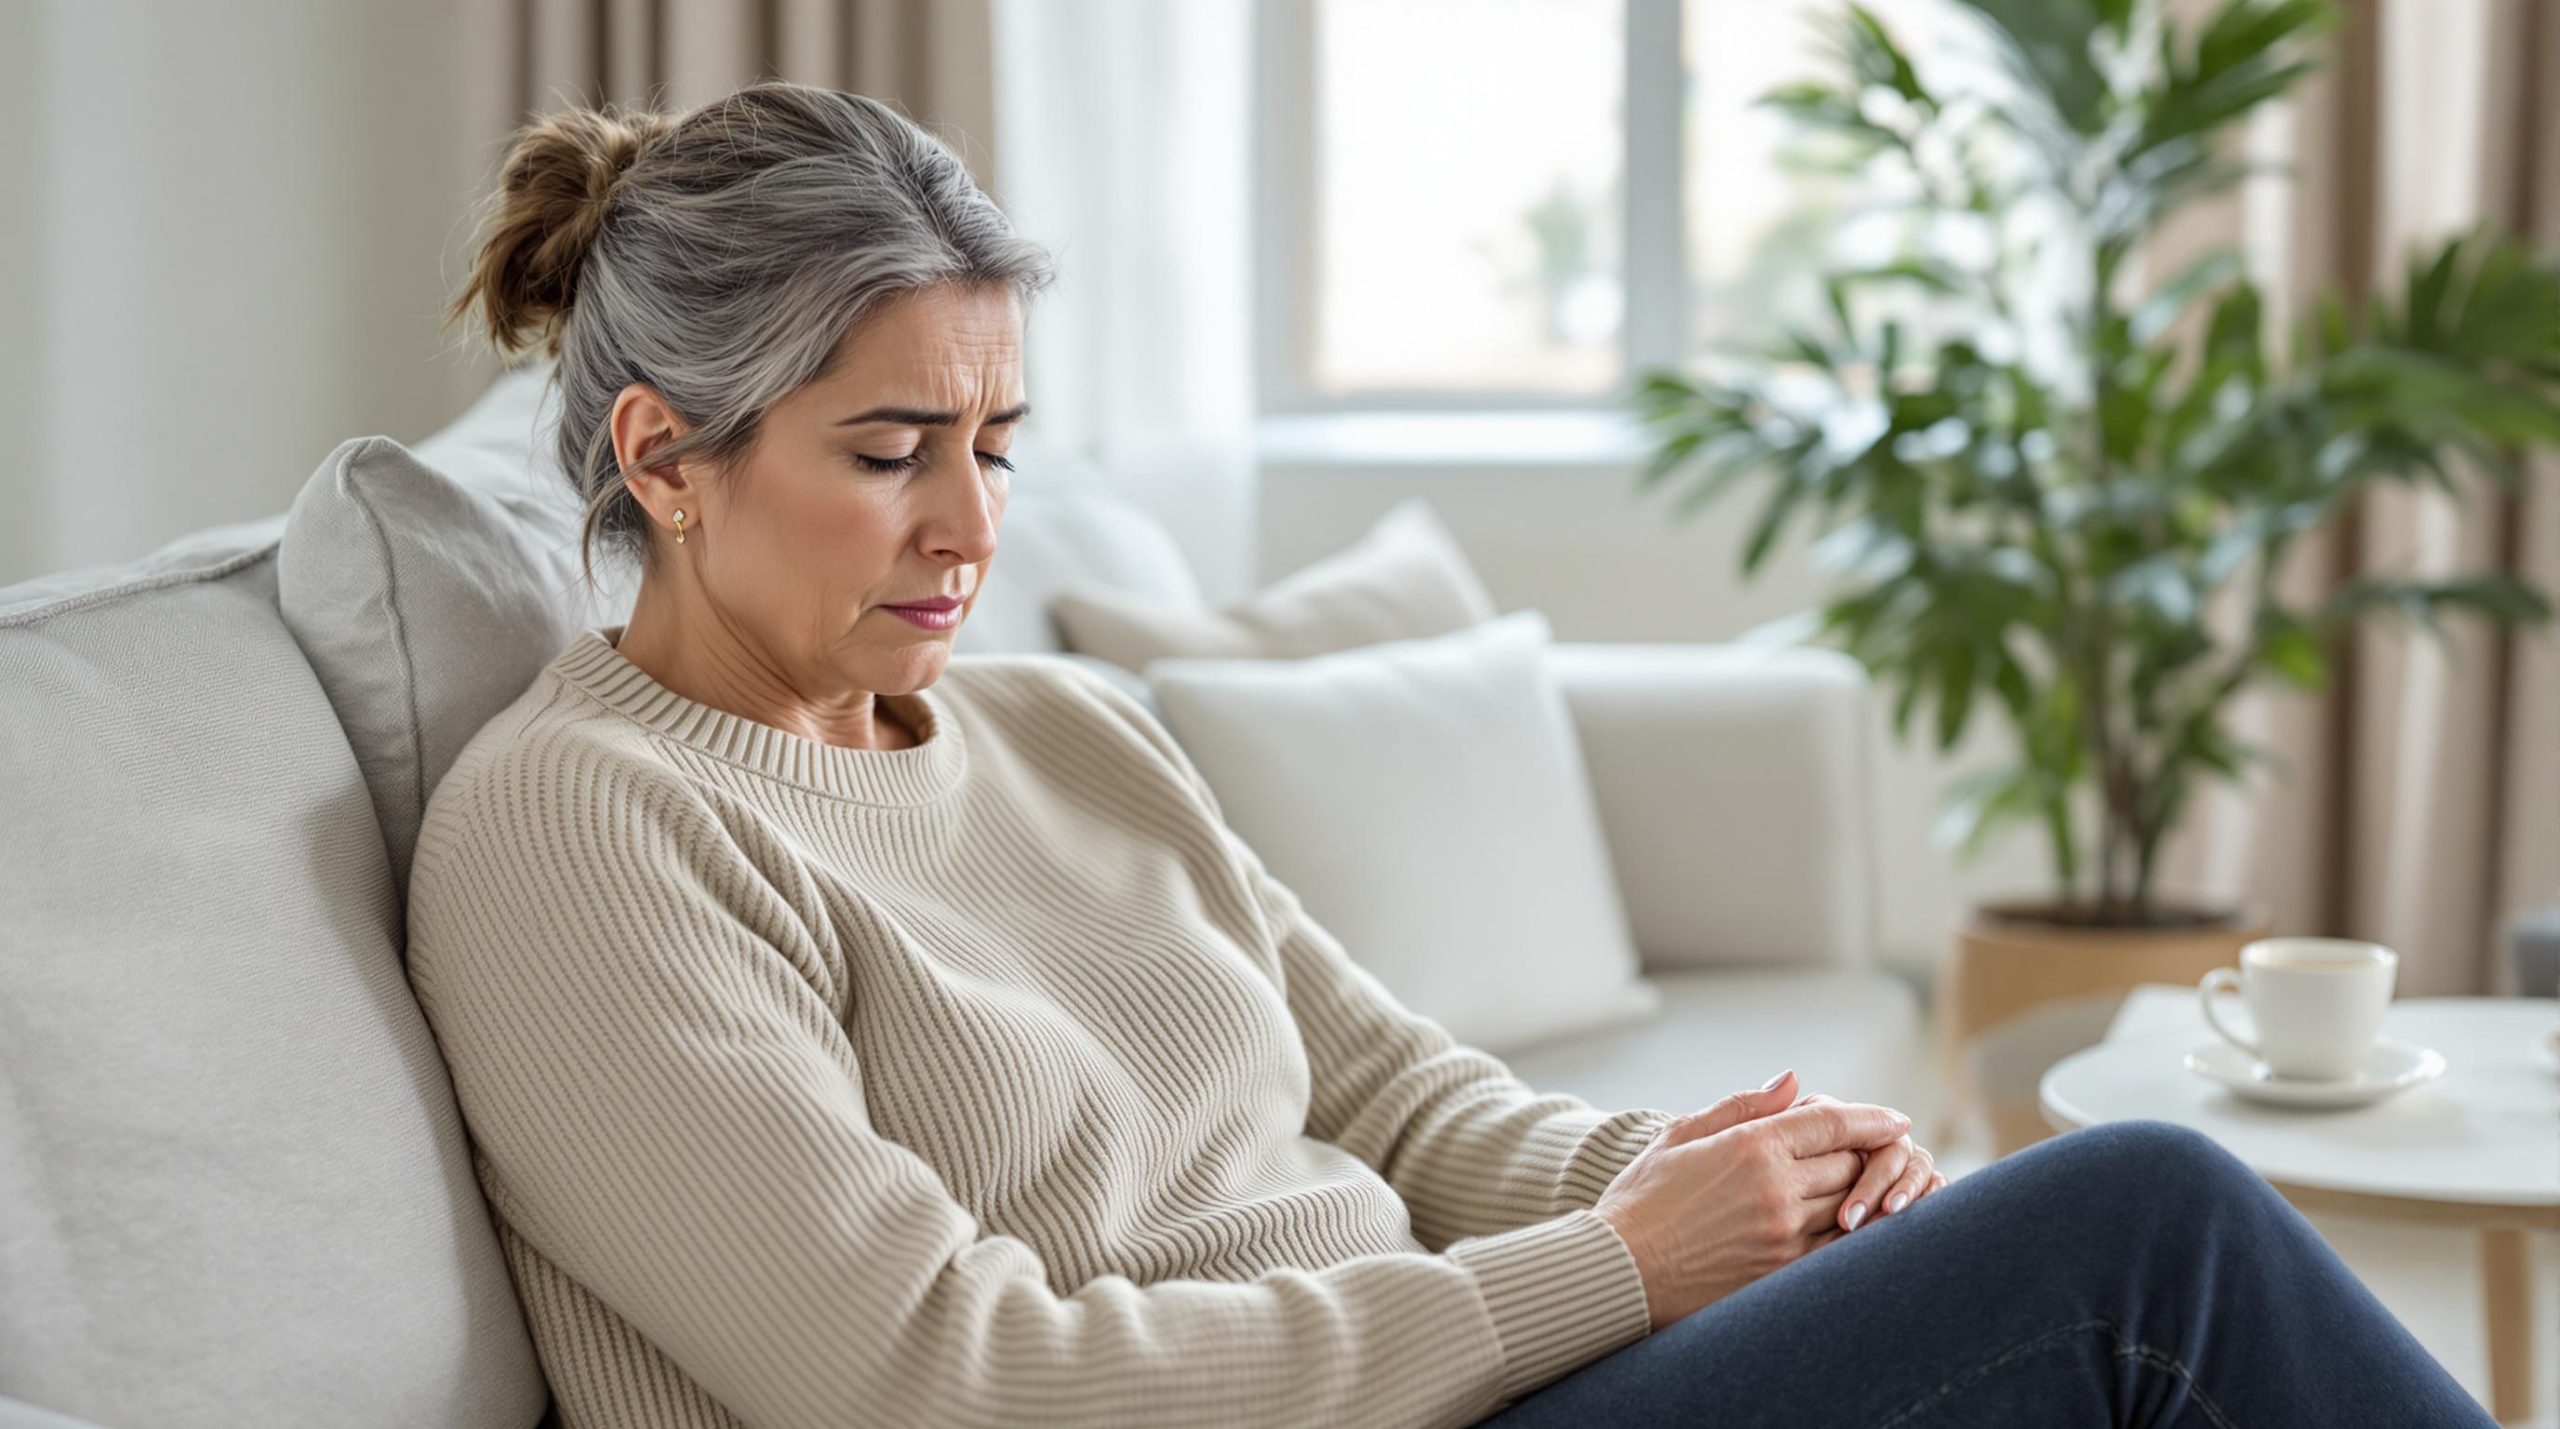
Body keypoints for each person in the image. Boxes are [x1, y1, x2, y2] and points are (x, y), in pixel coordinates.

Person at [403, 80, 2498, 1429]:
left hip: (1456, 1375)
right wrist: (1609, 1266)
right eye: (888, 453)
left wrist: (1709, 1194)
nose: (970, 526)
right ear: (662, 457)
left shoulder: (1060, 734)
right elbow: (933, 1378)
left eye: (995, 445)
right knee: (2141, 1232)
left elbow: (1392, 1093)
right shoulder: (583, 829)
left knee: (2080, 1267)